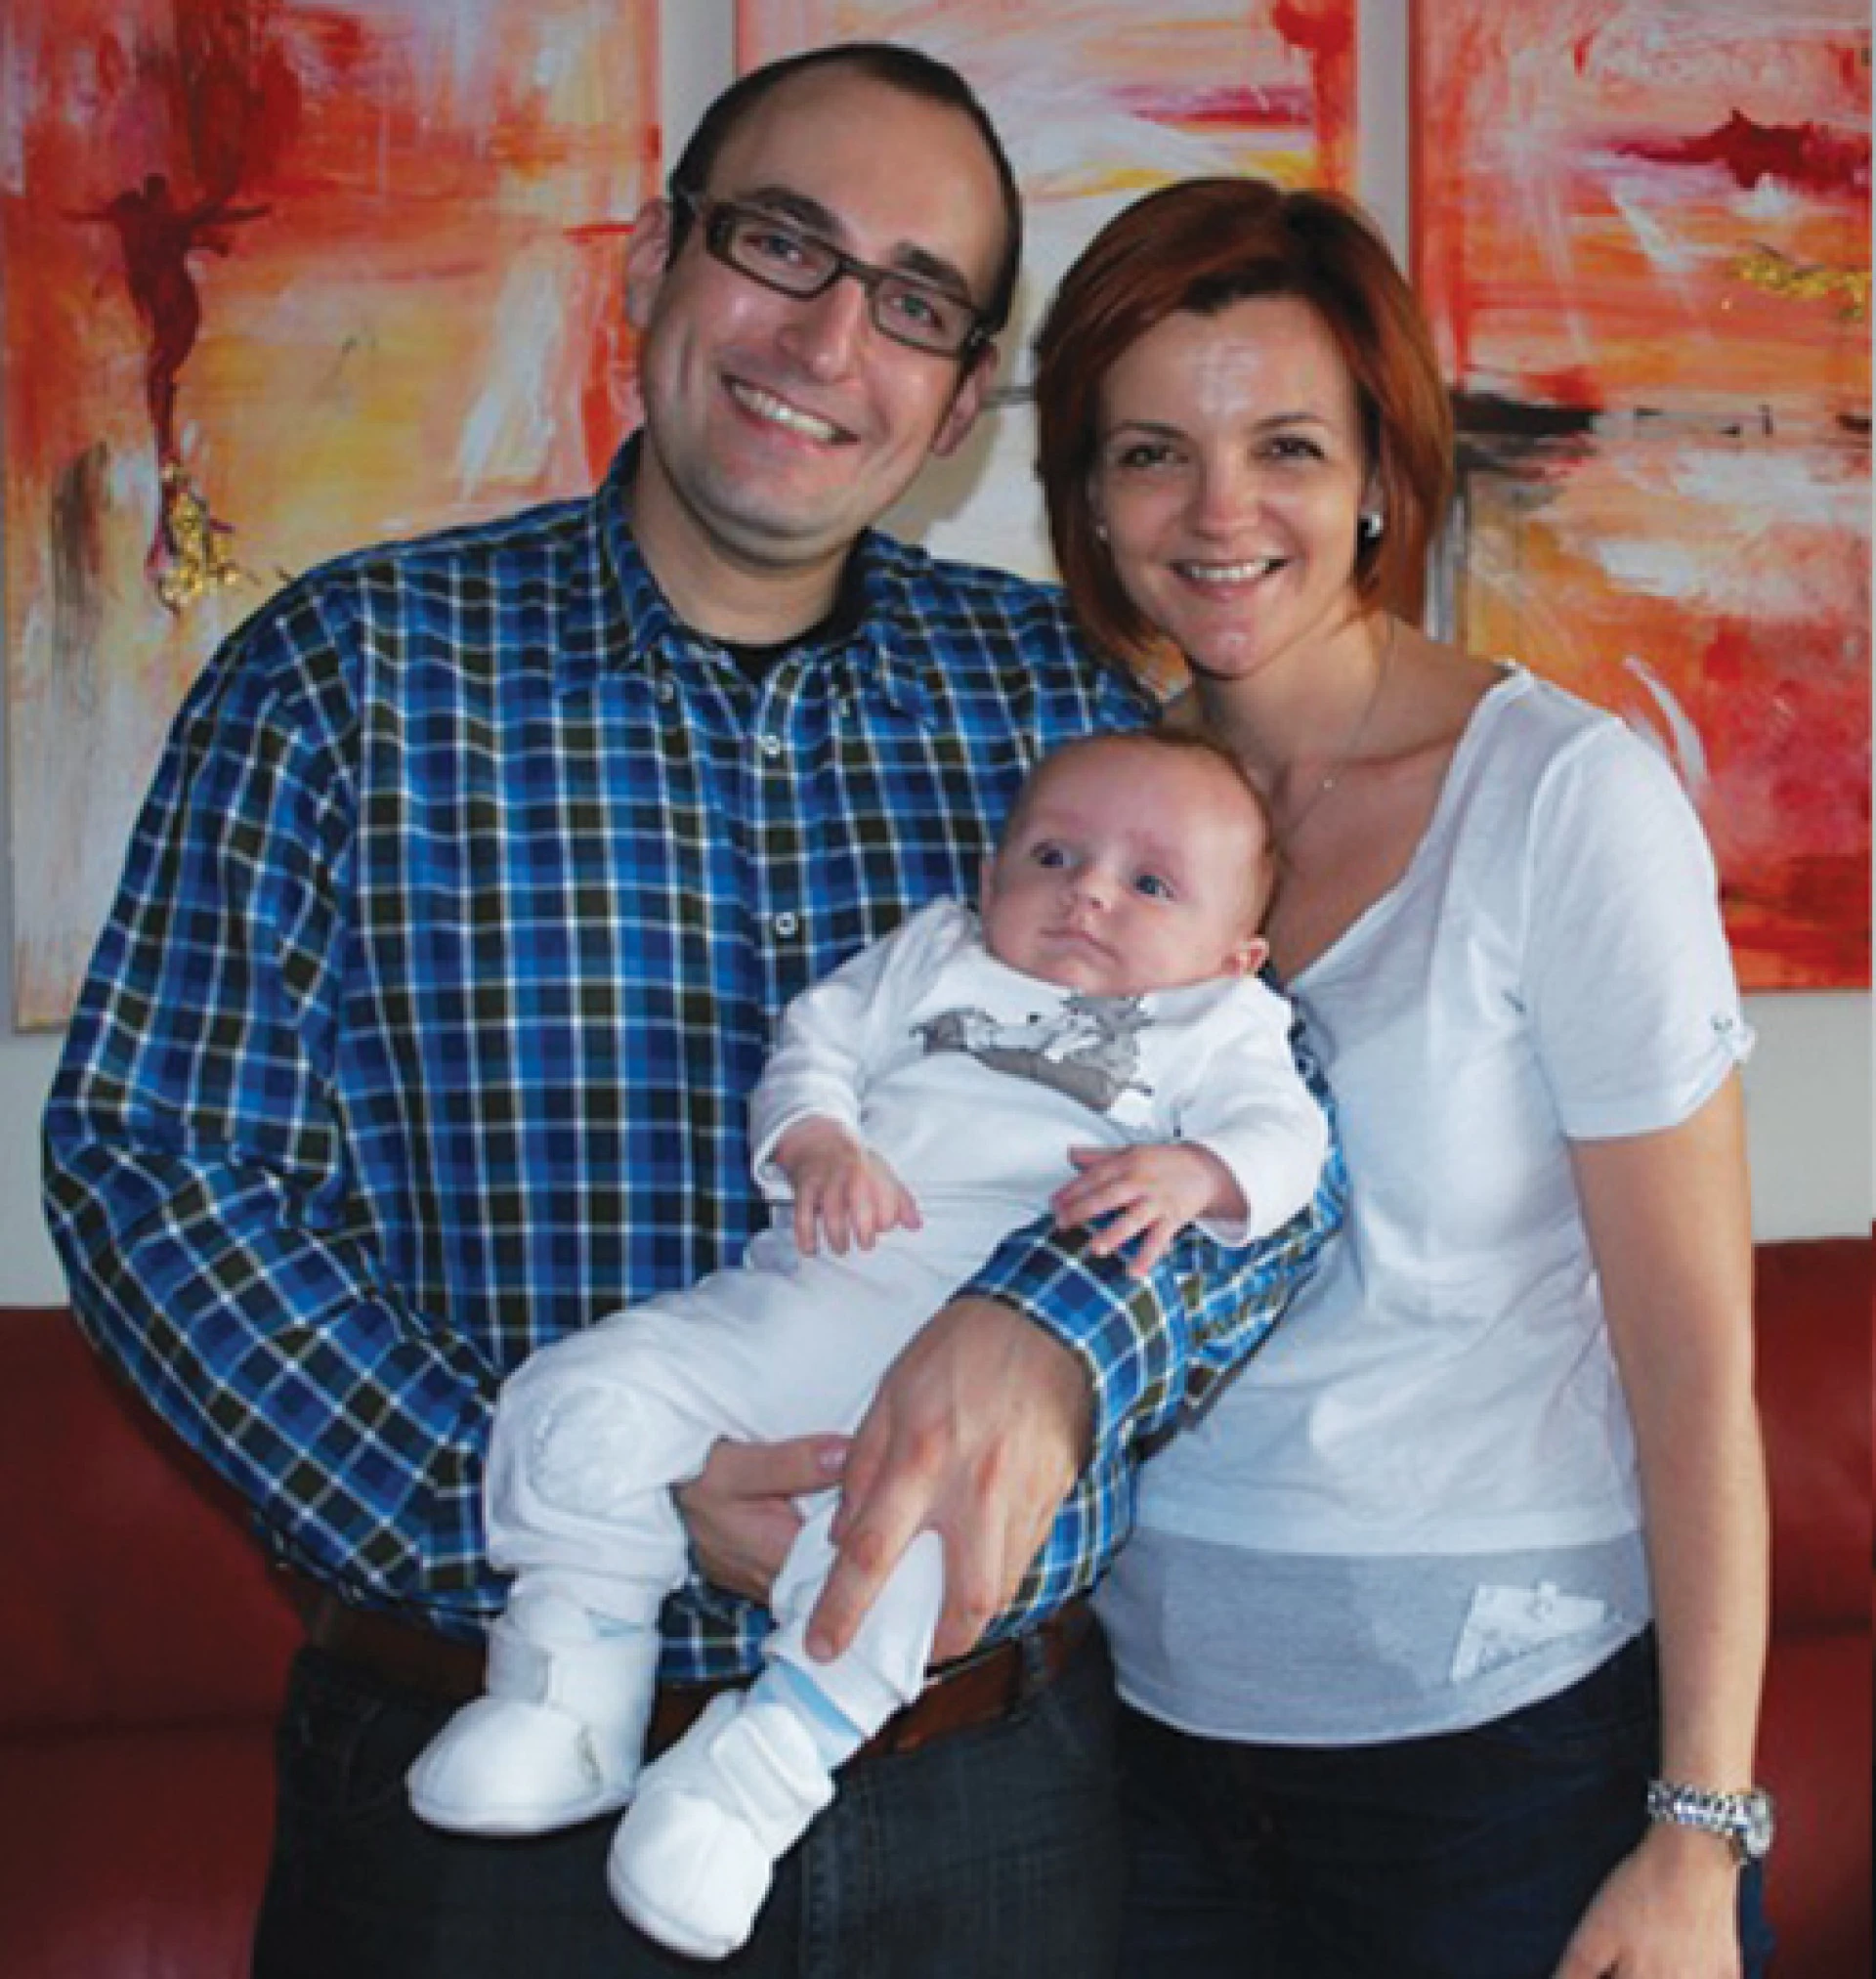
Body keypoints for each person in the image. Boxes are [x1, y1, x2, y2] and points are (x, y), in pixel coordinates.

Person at [41, 50, 1343, 1979]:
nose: (828, 336)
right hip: (485, 1797)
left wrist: (1045, 1344)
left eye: (912, 301)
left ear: (962, 392)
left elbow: (1273, 1129)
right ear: (658, 257)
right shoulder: (347, 677)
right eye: (779, 244)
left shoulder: (1053, 705)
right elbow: (163, 1178)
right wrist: (573, 1498)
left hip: (976, 1792)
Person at [1031, 175, 1774, 1979]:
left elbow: (1695, 1363)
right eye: (1150, 454)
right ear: (1091, 505)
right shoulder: (1090, 833)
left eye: (1284, 443)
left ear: (1381, 473)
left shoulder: (1561, 801)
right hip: (1142, 1755)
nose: (1220, 514)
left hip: (1516, 1766)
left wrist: (1697, 1836)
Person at [407, 729, 1330, 1960]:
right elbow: (815, 1046)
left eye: (1151, 884)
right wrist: (819, 1141)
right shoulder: (932, 955)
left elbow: (1292, 1149)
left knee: (916, 1557)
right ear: (992, 869)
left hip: (962, 1384)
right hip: (798, 1303)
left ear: (1238, 950)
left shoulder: (1223, 1027)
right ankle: (569, 1681)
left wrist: (1200, 1170)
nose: (1090, 892)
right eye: (1053, 855)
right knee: (580, 1396)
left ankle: (752, 1776)